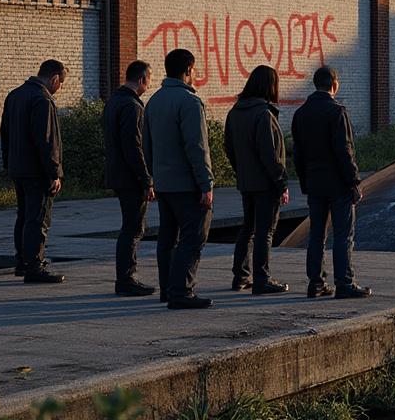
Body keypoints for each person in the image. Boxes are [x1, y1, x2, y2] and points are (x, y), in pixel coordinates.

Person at [292, 66, 371, 299]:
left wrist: (305, 181)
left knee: (316, 234)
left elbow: (297, 154)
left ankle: (315, 283)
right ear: (334, 85)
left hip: (315, 183)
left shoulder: (301, 114)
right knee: (343, 234)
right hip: (337, 183)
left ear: (315, 84)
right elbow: (344, 151)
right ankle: (344, 283)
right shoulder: (336, 112)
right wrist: (354, 182)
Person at [144, 49, 214, 309]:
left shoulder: (154, 101)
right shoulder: (189, 102)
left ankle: (168, 289)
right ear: (188, 71)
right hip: (187, 185)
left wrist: (153, 176)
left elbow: (147, 145)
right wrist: (205, 183)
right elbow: (197, 147)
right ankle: (182, 291)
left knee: (168, 237)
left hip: (164, 184)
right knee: (193, 236)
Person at [224, 65, 290, 296]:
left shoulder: (235, 112)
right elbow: (270, 153)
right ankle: (262, 278)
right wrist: (281, 182)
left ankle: (241, 276)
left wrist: (241, 170)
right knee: (265, 231)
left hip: (246, 181)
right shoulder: (264, 114)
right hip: (265, 183)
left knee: (247, 229)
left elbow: (229, 147)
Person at [0, 59, 67, 284]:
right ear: (54, 78)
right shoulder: (42, 100)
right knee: (38, 218)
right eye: (60, 84)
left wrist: (9, 164)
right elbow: (47, 141)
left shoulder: (15, 95)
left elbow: (5, 133)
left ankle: (22, 261)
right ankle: (35, 266)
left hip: (18, 167)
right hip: (37, 170)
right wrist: (53, 173)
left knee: (24, 216)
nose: (59, 89)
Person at [103, 60, 156, 297]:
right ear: (143, 79)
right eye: (150, 79)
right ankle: (126, 278)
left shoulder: (114, 101)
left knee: (130, 226)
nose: (150, 84)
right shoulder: (133, 106)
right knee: (133, 228)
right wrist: (146, 179)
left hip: (117, 173)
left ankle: (125, 277)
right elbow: (134, 146)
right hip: (130, 177)